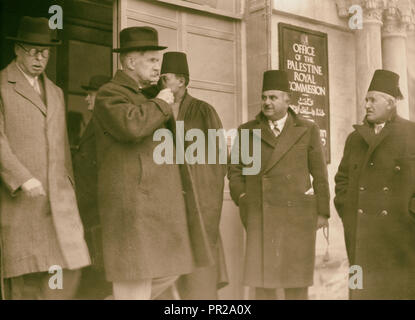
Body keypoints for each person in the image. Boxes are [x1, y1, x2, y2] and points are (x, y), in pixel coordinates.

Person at [93, 26, 212, 300]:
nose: (158, 67)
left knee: (170, 268)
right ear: (131, 61)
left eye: (158, 61)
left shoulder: (142, 95)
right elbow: (131, 126)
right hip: (133, 208)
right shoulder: (110, 94)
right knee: (134, 281)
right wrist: (161, 103)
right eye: (152, 60)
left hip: (154, 210)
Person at [0, 16, 90, 300]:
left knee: (67, 271)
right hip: (20, 202)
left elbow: (63, 148)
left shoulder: (56, 92)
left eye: (45, 52)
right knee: (25, 279)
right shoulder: (2, 86)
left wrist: (68, 187)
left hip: (58, 204)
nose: (40, 58)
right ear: (17, 49)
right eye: (32, 50)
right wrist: (22, 177)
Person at [228, 70, 330, 300]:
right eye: (264, 97)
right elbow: (235, 171)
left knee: (296, 283)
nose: (267, 102)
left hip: (297, 218)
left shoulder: (307, 128)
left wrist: (322, 212)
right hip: (260, 215)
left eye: (273, 97)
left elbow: (319, 173)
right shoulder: (247, 130)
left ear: (287, 99)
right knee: (263, 285)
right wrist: (243, 198)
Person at [334, 69, 415, 299]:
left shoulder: (412, 133)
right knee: (362, 291)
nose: (366, 105)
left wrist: (410, 214)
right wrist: (348, 210)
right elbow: (342, 179)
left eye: (372, 100)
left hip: (401, 236)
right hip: (360, 237)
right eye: (366, 100)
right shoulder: (355, 138)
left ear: (390, 103)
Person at [158, 51, 228, 299]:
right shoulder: (155, 109)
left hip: (198, 202)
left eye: (165, 78)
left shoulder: (203, 111)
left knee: (199, 277)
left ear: (182, 81)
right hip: (166, 204)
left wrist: (206, 197)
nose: (161, 83)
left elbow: (218, 159)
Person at [73, 75, 111, 299]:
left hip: (96, 213)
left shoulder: (103, 124)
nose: (86, 98)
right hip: (88, 212)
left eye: (91, 94)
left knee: (97, 274)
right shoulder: (94, 122)